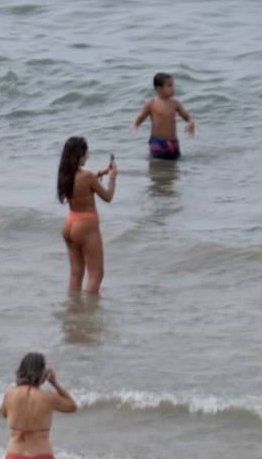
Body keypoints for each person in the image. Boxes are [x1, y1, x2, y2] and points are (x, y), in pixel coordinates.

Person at [0, 352, 77, 459]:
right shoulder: (48, 397)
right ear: (42, 374)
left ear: (21, 371)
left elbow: (3, 413)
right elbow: (72, 406)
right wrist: (54, 383)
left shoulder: (10, 395)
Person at [57, 136, 117, 293]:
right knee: (96, 275)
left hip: (69, 224)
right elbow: (108, 196)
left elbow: (83, 180)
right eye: (86, 154)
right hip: (86, 226)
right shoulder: (87, 177)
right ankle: (89, 314)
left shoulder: (65, 174)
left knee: (76, 274)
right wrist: (112, 178)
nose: (88, 156)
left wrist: (103, 171)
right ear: (79, 155)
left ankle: (73, 309)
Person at [131, 72, 195, 160]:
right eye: (169, 86)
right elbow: (141, 116)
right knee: (157, 164)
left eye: (173, 85)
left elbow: (186, 116)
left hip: (173, 142)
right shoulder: (151, 103)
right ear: (159, 88)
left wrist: (191, 122)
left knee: (174, 165)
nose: (173, 88)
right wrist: (135, 124)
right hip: (158, 142)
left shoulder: (175, 103)